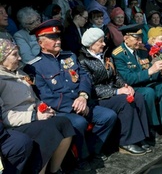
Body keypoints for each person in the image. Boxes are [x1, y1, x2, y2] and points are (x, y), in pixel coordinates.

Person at [24, 19, 117, 172]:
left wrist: (83, 97)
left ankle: (92, 151)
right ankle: (79, 160)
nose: (58, 41)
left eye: (58, 37)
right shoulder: (34, 66)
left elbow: (84, 77)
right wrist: (74, 107)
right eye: (52, 38)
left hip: (82, 102)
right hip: (61, 110)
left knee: (109, 116)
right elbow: (46, 96)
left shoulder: (70, 56)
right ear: (41, 43)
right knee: (78, 123)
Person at [0, 38, 75, 174]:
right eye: (14, 54)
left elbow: (34, 99)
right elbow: (4, 115)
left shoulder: (20, 74)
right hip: (18, 122)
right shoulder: (0, 79)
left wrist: (43, 107)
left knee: (64, 123)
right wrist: (35, 115)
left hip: (35, 116)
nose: (20, 57)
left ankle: (55, 170)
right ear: (2, 58)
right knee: (48, 130)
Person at [78, 28, 150, 155]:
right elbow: (92, 87)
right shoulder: (83, 61)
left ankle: (142, 136)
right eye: (100, 42)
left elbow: (115, 76)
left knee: (137, 97)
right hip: (98, 98)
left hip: (112, 91)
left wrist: (125, 86)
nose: (104, 44)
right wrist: (117, 92)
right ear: (92, 44)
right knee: (124, 102)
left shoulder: (106, 55)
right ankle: (126, 142)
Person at [112, 23, 162, 144]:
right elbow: (127, 78)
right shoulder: (118, 54)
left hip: (146, 83)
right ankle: (152, 127)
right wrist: (150, 71)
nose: (140, 41)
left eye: (141, 38)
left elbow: (151, 72)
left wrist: (160, 71)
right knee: (149, 92)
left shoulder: (142, 51)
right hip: (131, 87)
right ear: (126, 38)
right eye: (137, 38)